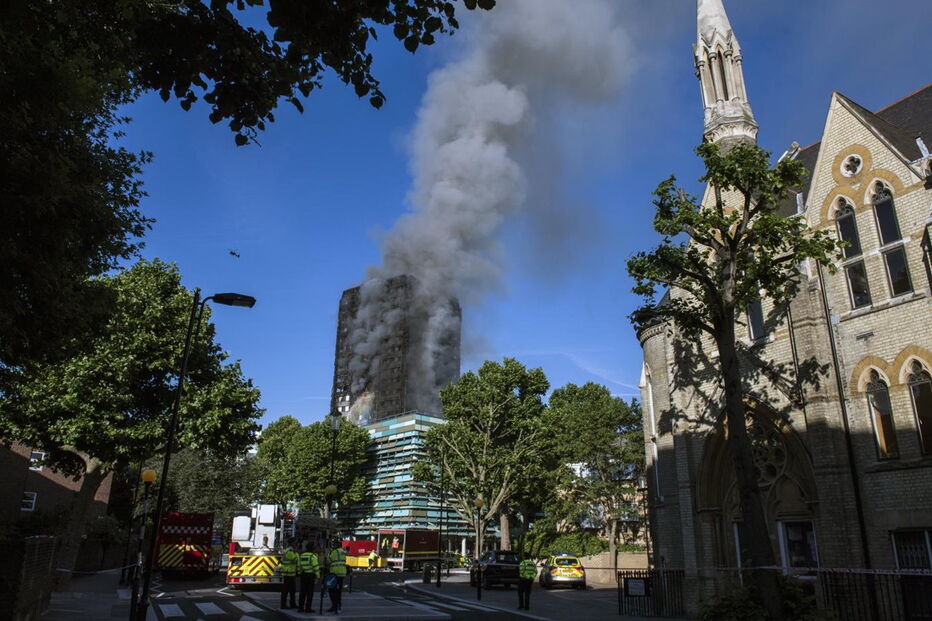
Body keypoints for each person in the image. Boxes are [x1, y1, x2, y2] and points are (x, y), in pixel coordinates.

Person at [326, 539, 348, 613]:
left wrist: (328, 553)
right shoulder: (343, 551)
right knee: (339, 591)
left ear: (336, 545)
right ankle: (338, 606)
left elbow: (328, 560)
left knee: (332, 590)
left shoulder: (334, 552)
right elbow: (345, 560)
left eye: (334, 544)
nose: (333, 546)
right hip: (342, 573)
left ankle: (334, 606)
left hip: (334, 573)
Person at [298, 542, 320, 613]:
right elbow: (316, 567)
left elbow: (299, 566)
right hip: (310, 576)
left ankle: (300, 608)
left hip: (303, 575)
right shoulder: (313, 556)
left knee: (302, 592)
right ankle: (308, 608)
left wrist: (299, 573)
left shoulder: (302, 555)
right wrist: (318, 576)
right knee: (309, 593)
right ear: (312, 549)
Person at [280, 542, 299, 609]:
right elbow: (296, 560)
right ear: (293, 544)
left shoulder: (287, 551)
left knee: (291, 591)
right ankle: (285, 605)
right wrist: (296, 553)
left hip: (289, 573)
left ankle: (291, 604)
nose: (296, 545)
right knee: (288, 591)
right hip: (289, 574)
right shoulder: (290, 552)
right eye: (295, 544)